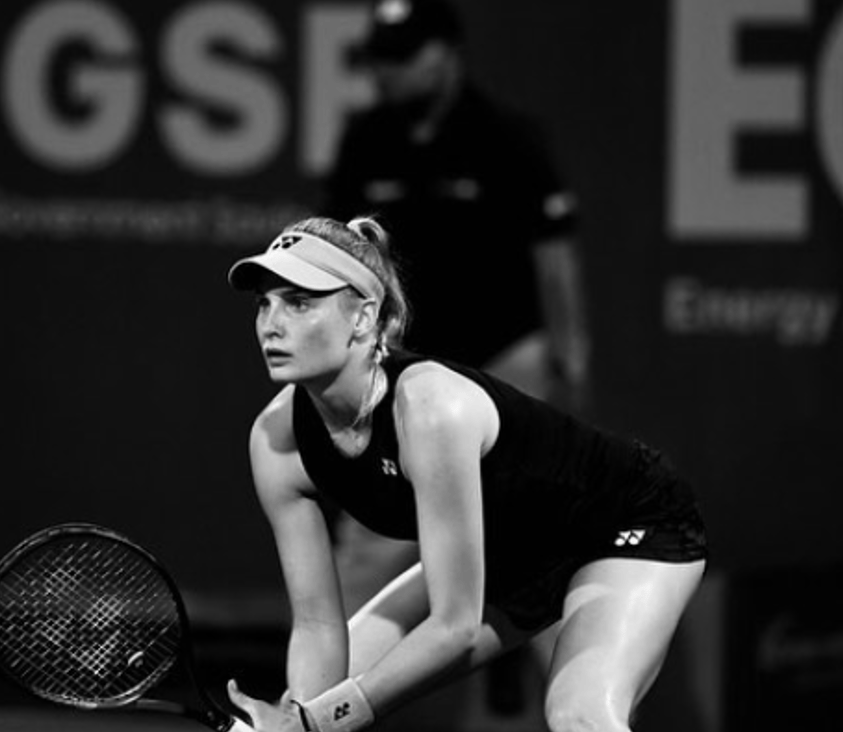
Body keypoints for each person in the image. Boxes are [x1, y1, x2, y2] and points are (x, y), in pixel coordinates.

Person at [222, 217, 707, 732]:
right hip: (508, 551)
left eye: (299, 303)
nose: (272, 324)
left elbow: (455, 629)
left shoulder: (431, 408)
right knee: (321, 691)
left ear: (363, 318)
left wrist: (321, 721)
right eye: (264, 304)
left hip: (624, 523)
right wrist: (299, 718)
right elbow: (318, 625)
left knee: (578, 716)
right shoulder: (276, 439)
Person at [321, 0, 596, 718]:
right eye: (380, 58)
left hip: (504, 370)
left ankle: (579, 710)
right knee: (368, 561)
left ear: (448, 56)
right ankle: (319, 712)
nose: (388, 72)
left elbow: (555, 260)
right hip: (401, 380)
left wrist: (570, 362)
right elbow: (335, 262)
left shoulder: (508, 136)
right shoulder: (364, 140)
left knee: (537, 558)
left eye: (405, 56)